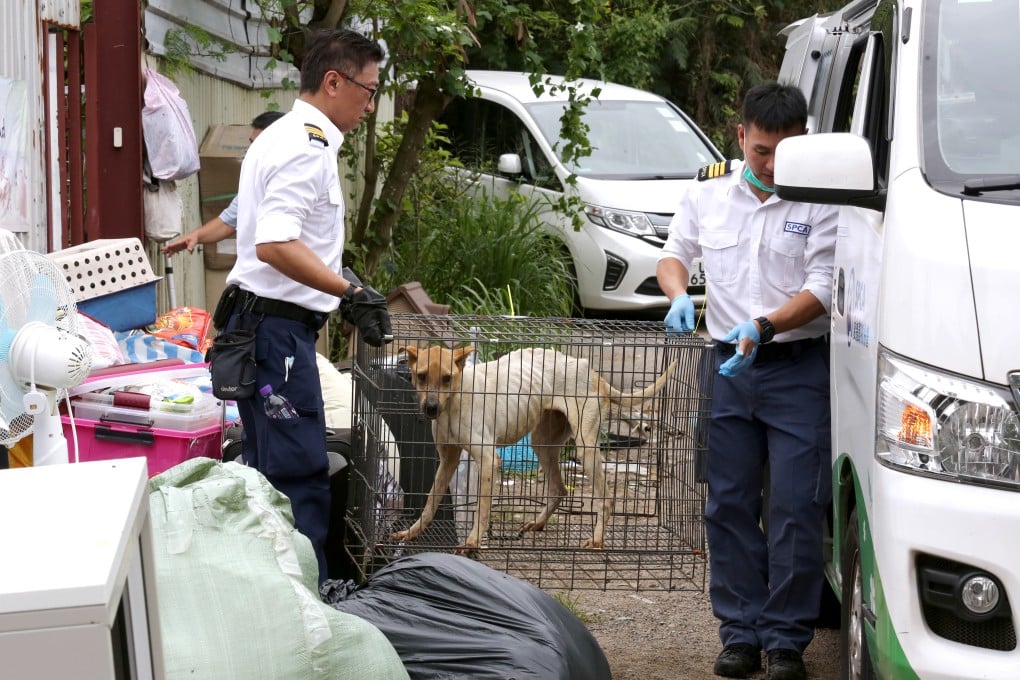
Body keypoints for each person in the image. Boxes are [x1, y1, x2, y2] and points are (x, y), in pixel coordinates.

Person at [656, 83, 838, 680]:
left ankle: (786, 641)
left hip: (797, 367)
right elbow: (673, 253)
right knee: (728, 502)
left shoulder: (823, 201)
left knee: (795, 505)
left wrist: (762, 325)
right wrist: (680, 294)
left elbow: (823, 288)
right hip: (727, 371)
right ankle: (740, 633)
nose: (771, 164)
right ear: (741, 137)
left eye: (784, 151)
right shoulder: (709, 191)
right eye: (761, 151)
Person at [218, 28, 392, 585]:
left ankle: (280, 593)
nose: (371, 104)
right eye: (368, 91)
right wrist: (348, 294)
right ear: (333, 81)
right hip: (275, 336)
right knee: (296, 474)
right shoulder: (305, 145)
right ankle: (310, 604)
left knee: (272, 472)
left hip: (265, 328)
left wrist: (344, 279)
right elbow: (274, 243)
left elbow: (299, 241)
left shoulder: (283, 135)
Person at [161, 111, 286, 256]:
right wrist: (195, 236)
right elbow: (227, 222)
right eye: (252, 144)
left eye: (259, 144)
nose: (252, 150)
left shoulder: (296, 181)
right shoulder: (254, 182)